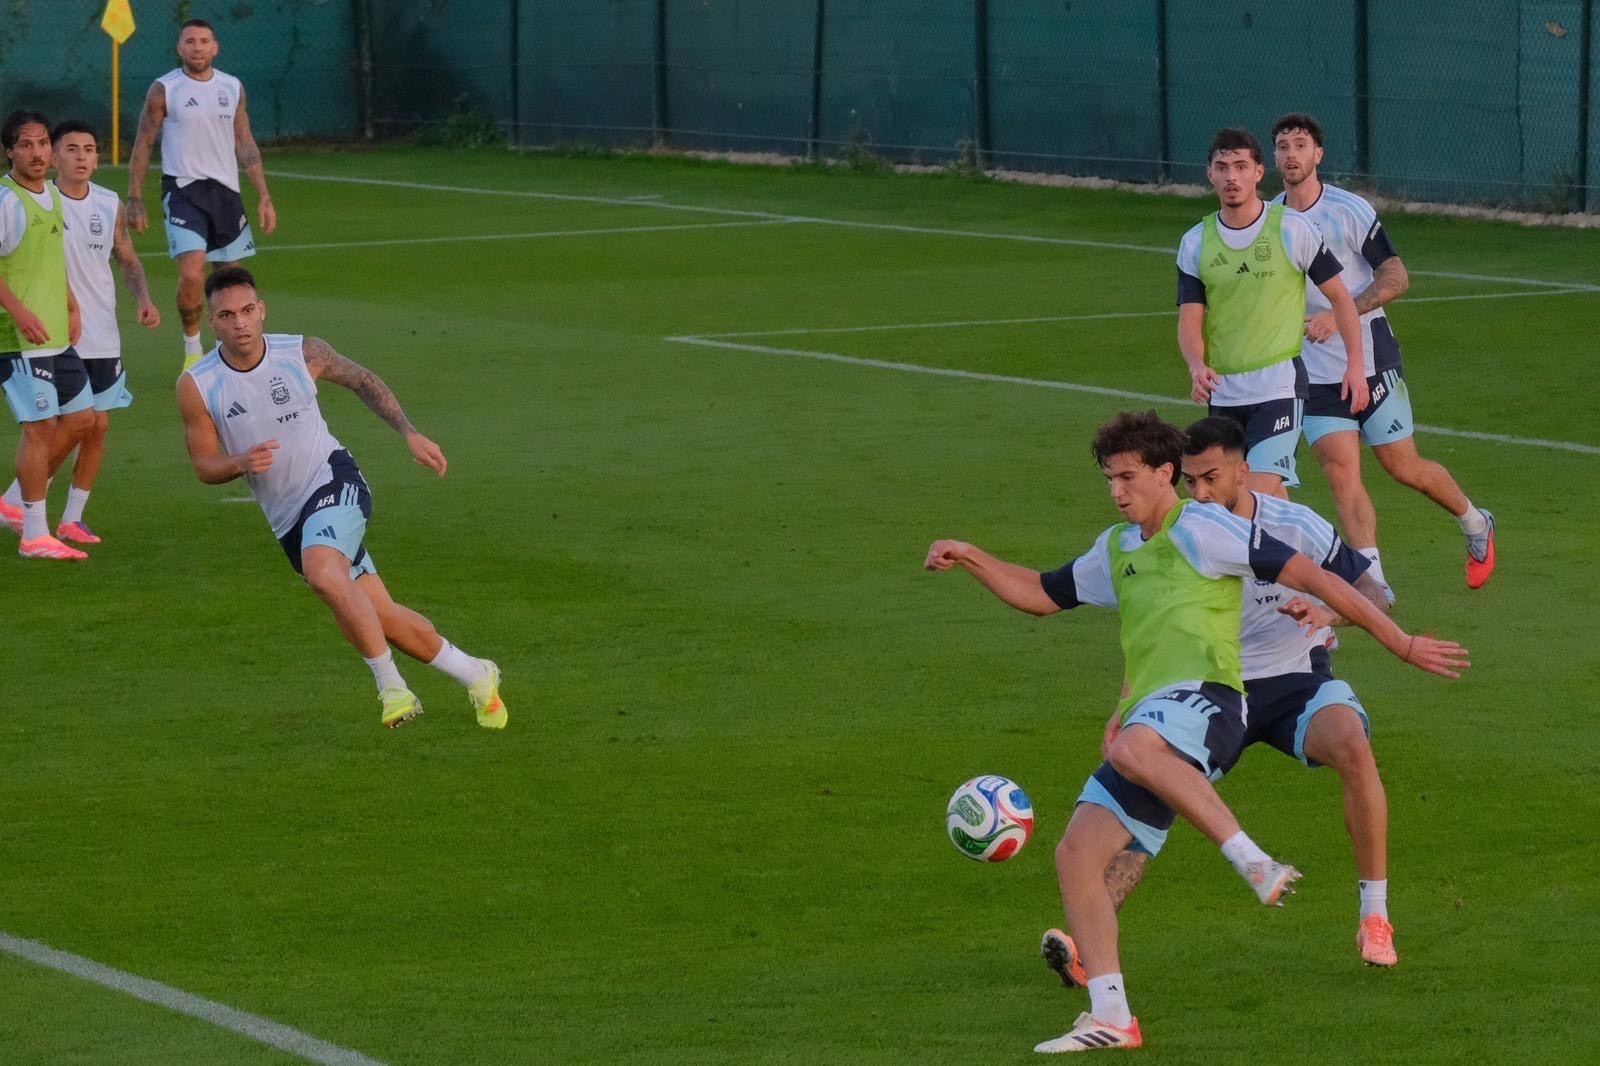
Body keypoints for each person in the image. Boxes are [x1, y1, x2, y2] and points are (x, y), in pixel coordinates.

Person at [924, 411, 1467, 1054]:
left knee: (1134, 747)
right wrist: (972, 557)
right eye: (1109, 479)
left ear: (1164, 474)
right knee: (1076, 855)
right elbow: (1043, 593)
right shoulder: (1117, 548)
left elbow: (1317, 578)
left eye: (1128, 477)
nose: (1118, 491)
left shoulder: (1207, 529)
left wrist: (1401, 644)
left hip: (1211, 702)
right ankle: (1112, 1017)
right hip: (1160, 709)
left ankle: (1254, 861)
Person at [1041, 415, 1405, 998]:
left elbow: (1373, 589)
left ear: (1244, 469)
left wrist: (1330, 613)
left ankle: (1374, 915)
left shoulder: (1293, 524)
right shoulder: (1181, 530)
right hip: (1211, 688)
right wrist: (1130, 701)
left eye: (1212, 478)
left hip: (1294, 680)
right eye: (1191, 481)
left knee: (1353, 747)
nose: (1201, 492)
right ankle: (1088, 943)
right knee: (1151, 803)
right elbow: (1159, 625)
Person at [176, 266, 506, 730]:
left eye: (248, 311)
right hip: (288, 518)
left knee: (324, 575)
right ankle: (476, 672)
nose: (241, 323)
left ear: (262, 310)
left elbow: (364, 380)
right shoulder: (198, 385)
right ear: (213, 323)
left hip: (335, 480)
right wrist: (239, 463)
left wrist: (408, 432)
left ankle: (392, 689)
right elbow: (203, 465)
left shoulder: (301, 352)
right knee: (382, 615)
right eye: (228, 315)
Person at [1270, 112, 1496, 592]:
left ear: (1318, 155)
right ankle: (1374, 584)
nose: (1291, 154)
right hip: (1315, 374)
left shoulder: (1349, 210)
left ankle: (1476, 522)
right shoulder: (1271, 219)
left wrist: (1340, 314)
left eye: (1301, 145)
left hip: (1372, 361)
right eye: (1283, 146)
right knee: (1340, 472)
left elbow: (1396, 277)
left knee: (1402, 467)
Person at [1177, 127, 1367, 500]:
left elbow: (1342, 299)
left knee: (1253, 496)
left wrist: (1355, 365)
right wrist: (1197, 366)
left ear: (1259, 172)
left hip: (1279, 385)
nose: (1232, 177)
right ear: (1209, 174)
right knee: (1261, 506)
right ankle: (1320, 557)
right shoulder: (1195, 242)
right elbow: (1190, 319)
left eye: (1241, 166)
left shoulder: (1293, 229)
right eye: (1222, 167)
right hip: (1225, 392)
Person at [0, 120, 160, 545]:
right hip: (53, 331)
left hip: (100, 329)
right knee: (52, 424)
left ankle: (69, 517)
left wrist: (143, 298)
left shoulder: (108, 204)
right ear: (56, 155)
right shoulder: (38, 198)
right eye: (71, 149)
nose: (82, 157)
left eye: (89, 149)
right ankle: (25, 507)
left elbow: (126, 257)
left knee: (96, 425)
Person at [127, 17, 277, 371]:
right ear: (180, 48)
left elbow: (245, 140)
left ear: (215, 47)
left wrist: (264, 195)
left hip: (226, 194)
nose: (197, 48)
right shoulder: (165, 89)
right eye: (190, 42)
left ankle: (234, 353)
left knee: (232, 283)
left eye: (203, 41)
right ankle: (192, 348)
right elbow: (144, 142)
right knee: (194, 275)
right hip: (183, 190)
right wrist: (134, 196)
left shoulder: (232, 87)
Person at [0, 109, 91, 561]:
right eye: (26, 144)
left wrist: (72, 305)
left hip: (56, 333)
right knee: (39, 428)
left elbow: (51, 260)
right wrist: (17, 311)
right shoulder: (6, 200)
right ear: (10, 152)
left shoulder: (51, 195)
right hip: (18, 339)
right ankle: (34, 534)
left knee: (81, 418)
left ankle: (14, 503)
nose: (36, 152)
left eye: (41, 144)